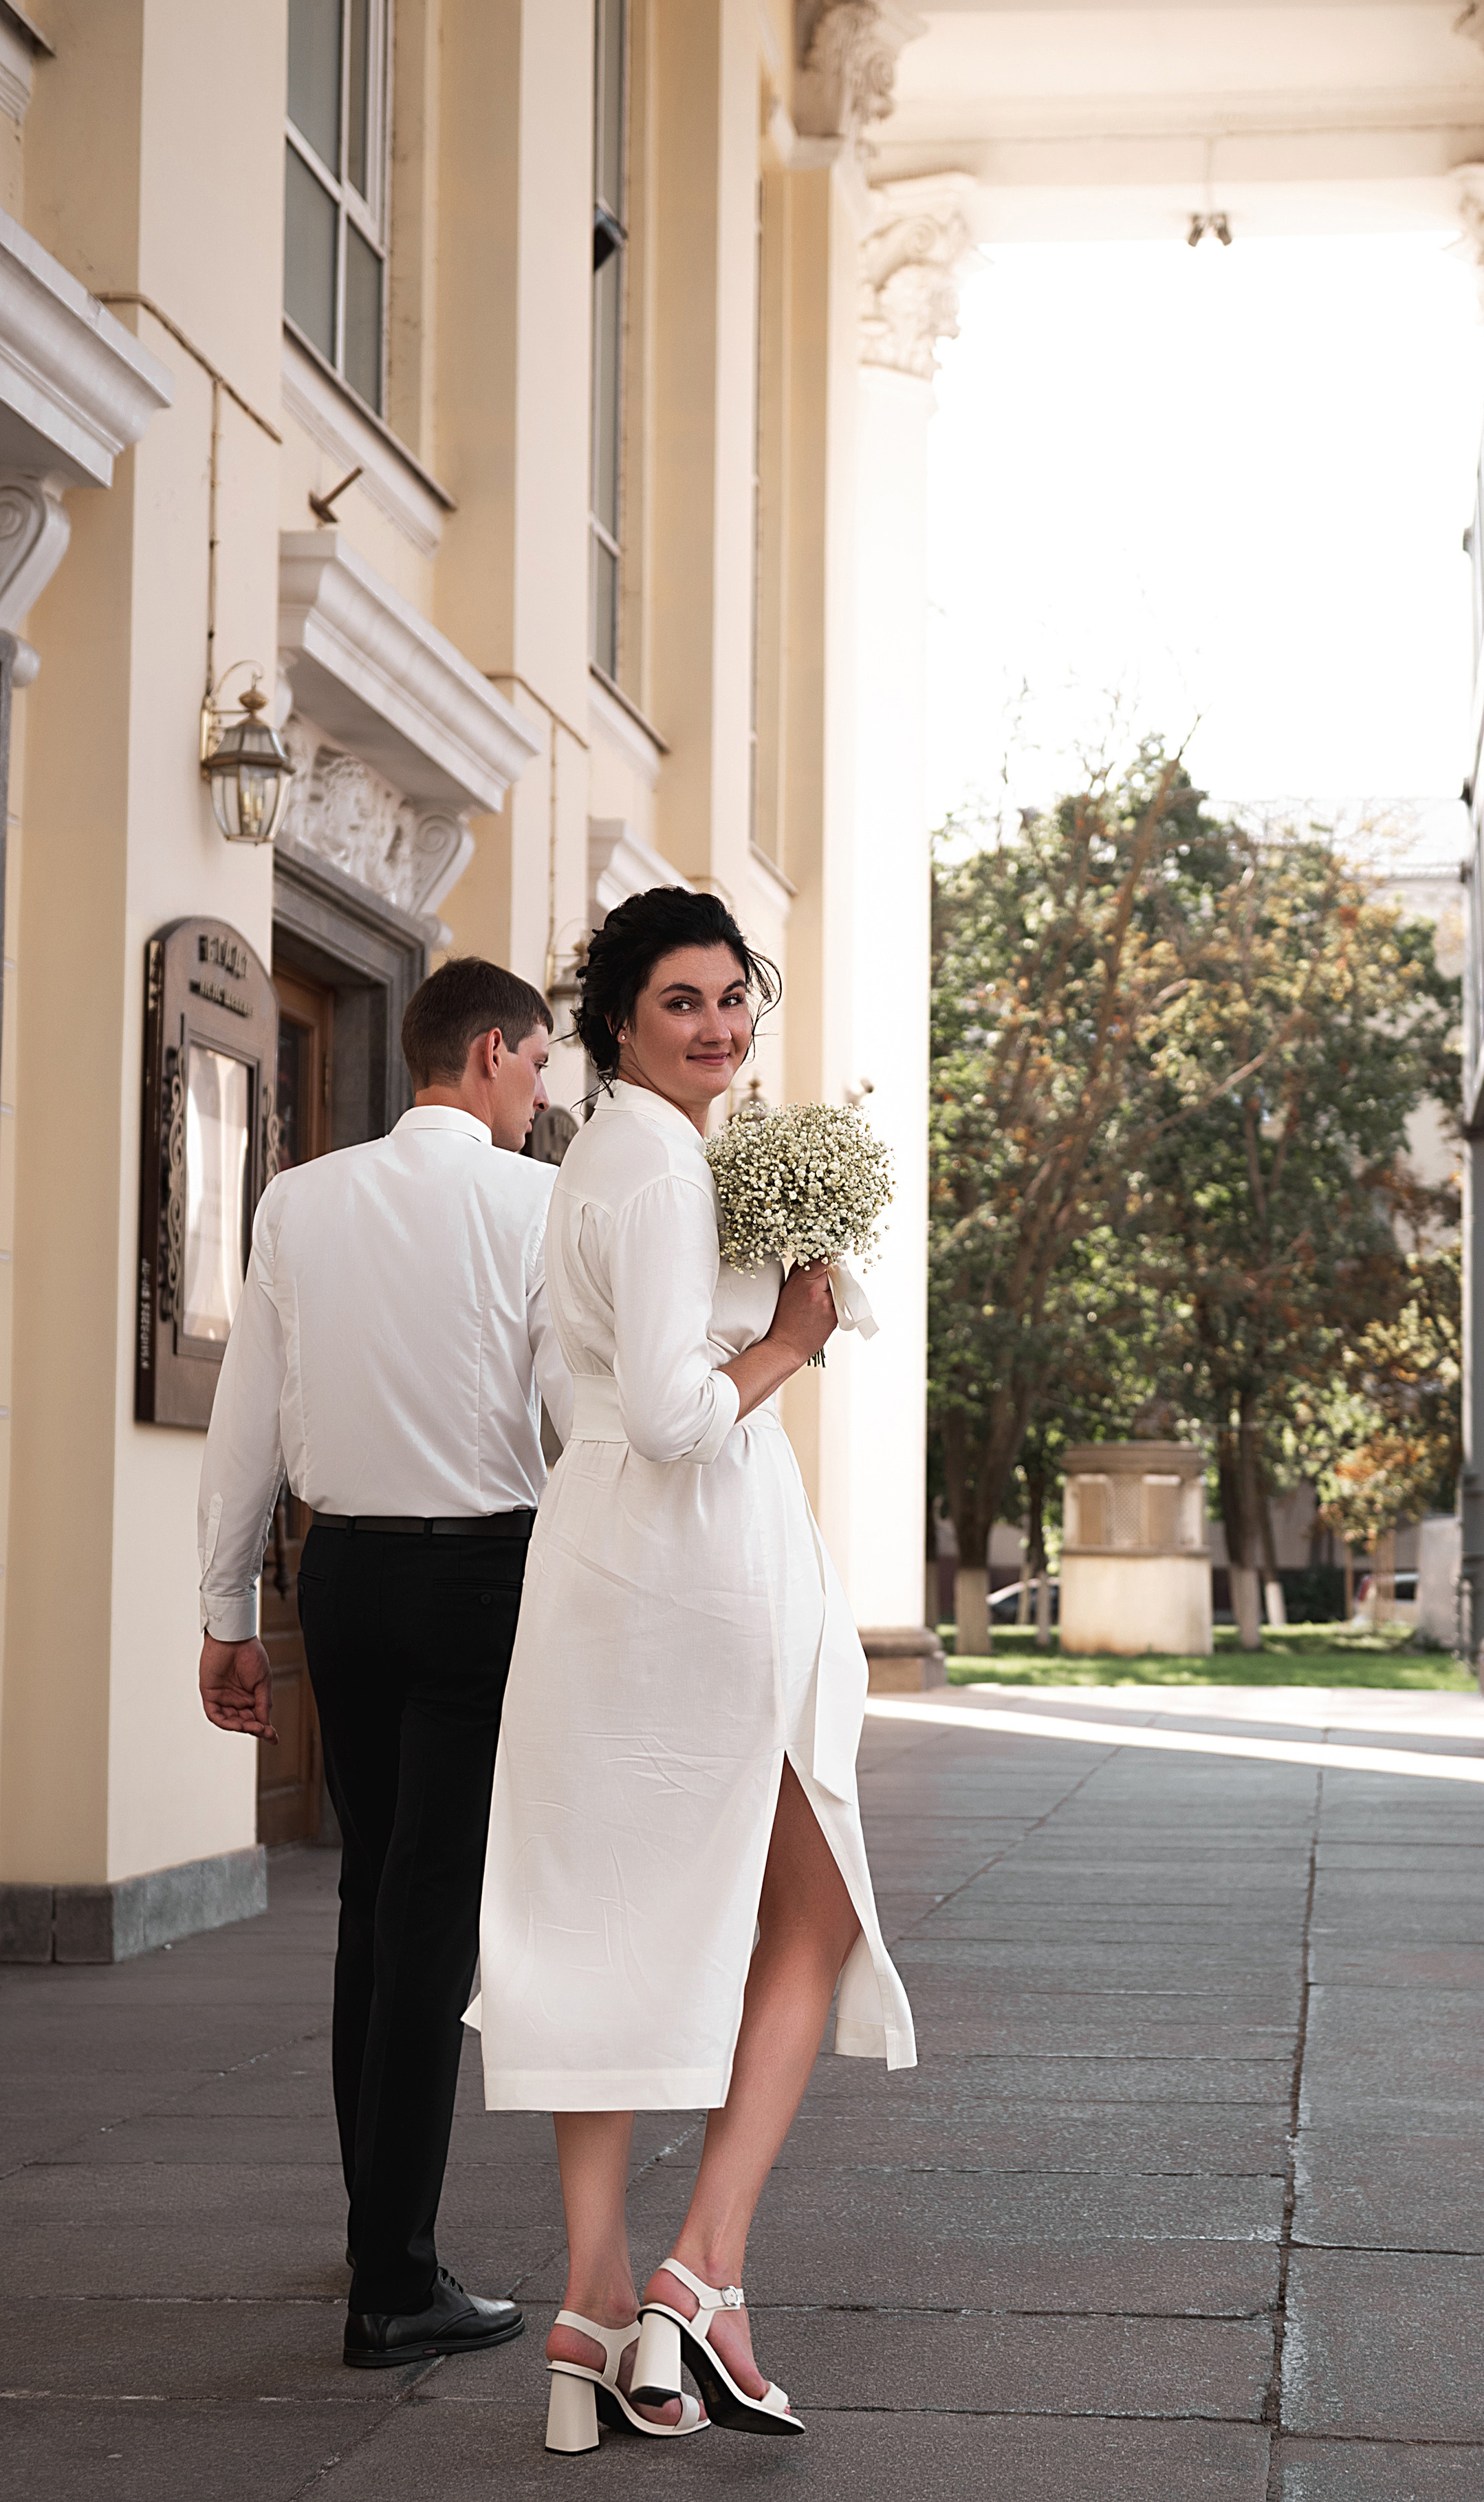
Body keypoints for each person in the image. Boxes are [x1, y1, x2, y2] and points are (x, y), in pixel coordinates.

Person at [472, 886, 915, 2458]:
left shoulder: (595, 1152)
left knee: (597, 1912)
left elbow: (566, 1388)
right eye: (681, 1003)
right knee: (816, 1901)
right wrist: (793, 1334)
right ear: (615, 1020)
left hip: (601, 1556)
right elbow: (671, 1413)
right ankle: (700, 2273)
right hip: (693, 1549)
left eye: (733, 996)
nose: (717, 1025)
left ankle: (597, 2307)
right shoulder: (660, 1163)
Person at [195, 957, 571, 2371]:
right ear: (487, 1053)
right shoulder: (538, 1206)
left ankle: (377, 2235)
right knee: (429, 1918)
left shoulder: (301, 1198)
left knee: (377, 1897)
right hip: (485, 1575)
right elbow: (569, 1412)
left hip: (342, 1575)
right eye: (538, 1065)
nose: (543, 1097)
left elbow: (248, 1413)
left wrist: (226, 1606)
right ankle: (396, 2283)